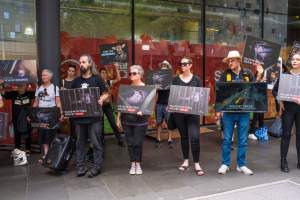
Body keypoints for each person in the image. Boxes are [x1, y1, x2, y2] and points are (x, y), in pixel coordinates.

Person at [215, 50, 264, 175]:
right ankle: (225, 164)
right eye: (229, 61)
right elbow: (219, 92)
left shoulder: (247, 73)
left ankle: (241, 165)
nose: (230, 63)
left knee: (242, 140)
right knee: (227, 139)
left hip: (244, 112)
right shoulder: (225, 74)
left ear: (238, 61)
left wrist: (259, 75)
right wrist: (218, 110)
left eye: (232, 60)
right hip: (229, 112)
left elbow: (254, 88)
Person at [72, 54, 109, 178]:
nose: (81, 64)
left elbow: (106, 93)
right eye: (80, 62)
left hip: (95, 117)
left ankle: (97, 167)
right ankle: (80, 166)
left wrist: (102, 99)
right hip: (80, 118)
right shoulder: (76, 81)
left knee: (96, 143)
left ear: (89, 64)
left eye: (83, 62)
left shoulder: (97, 78)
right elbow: (72, 97)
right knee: (80, 143)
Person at [172, 57, 204, 176]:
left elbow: (201, 96)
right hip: (179, 113)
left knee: (195, 137)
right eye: (181, 64)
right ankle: (185, 160)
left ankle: (197, 162)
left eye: (185, 64)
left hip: (193, 113)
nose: (183, 66)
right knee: (184, 137)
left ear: (190, 65)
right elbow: (173, 95)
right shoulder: (175, 80)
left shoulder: (197, 79)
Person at [116, 65, 149, 175]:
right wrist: (118, 118)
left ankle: (138, 163)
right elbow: (121, 105)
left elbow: (150, 105)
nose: (131, 75)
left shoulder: (147, 88)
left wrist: (143, 110)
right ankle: (132, 163)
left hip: (141, 121)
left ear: (140, 74)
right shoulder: (126, 89)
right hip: (127, 120)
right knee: (130, 143)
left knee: (138, 143)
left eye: (134, 73)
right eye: (130, 73)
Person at [273, 52, 300, 172]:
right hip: (288, 109)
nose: (294, 61)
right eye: (293, 59)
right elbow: (275, 91)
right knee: (286, 135)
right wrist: (280, 101)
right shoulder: (285, 75)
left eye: (297, 59)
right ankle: (283, 161)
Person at [32, 69, 62, 162]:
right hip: (41, 116)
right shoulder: (39, 88)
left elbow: (58, 102)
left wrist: (60, 114)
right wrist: (32, 114)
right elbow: (36, 102)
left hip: (52, 115)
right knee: (43, 136)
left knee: (51, 136)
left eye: (45, 75)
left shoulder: (54, 88)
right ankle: (46, 155)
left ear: (50, 77)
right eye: (42, 75)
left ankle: (51, 156)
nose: (43, 77)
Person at [0, 81, 35, 154]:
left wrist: (35, 81)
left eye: (23, 86)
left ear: (26, 87)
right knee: (17, 133)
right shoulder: (13, 94)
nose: (22, 88)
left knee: (27, 133)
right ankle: (17, 149)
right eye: (20, 86)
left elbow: (38, 94)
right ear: (17, 87)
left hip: (27, 118)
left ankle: (28, 149)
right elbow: (3, 94)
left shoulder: (29, 93)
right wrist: (2, 84)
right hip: (16, 118)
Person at [99, 64, 124, 146]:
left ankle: (120, 140)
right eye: (102, 73)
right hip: (100, 106)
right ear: (99, 74)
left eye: (105, 73)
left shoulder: (108, 82)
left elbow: (119, 79)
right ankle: (101, 142)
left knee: (113, 123)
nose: (104, 74)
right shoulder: (97, 83)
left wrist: (116, 67)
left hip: (108, 106)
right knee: (100, 125)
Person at [155, 60, 173, 148]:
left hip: (167, 104)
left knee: (169, 122)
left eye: (165, 66)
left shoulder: (171, 79)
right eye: (162, 66)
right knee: (159, 122)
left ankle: (170, 139)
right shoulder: (157, 79)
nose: (164, 67)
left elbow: (173, 92)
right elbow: (155, 92)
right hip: (159, 103)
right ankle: (158, 138)